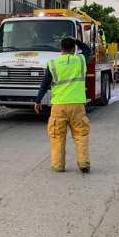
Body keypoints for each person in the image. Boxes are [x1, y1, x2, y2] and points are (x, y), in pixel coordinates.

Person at [34, 37, 92, 173]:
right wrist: (77, 41)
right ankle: (83, 163)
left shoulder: (53, 63)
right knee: (81, 134)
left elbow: (45, 83)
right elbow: (88, 50)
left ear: (61, 48)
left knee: (57, 136)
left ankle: (58, 165)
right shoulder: (80, 60)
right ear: (74, 49)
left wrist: (38, 100)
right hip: (77, 104)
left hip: (59, 106)